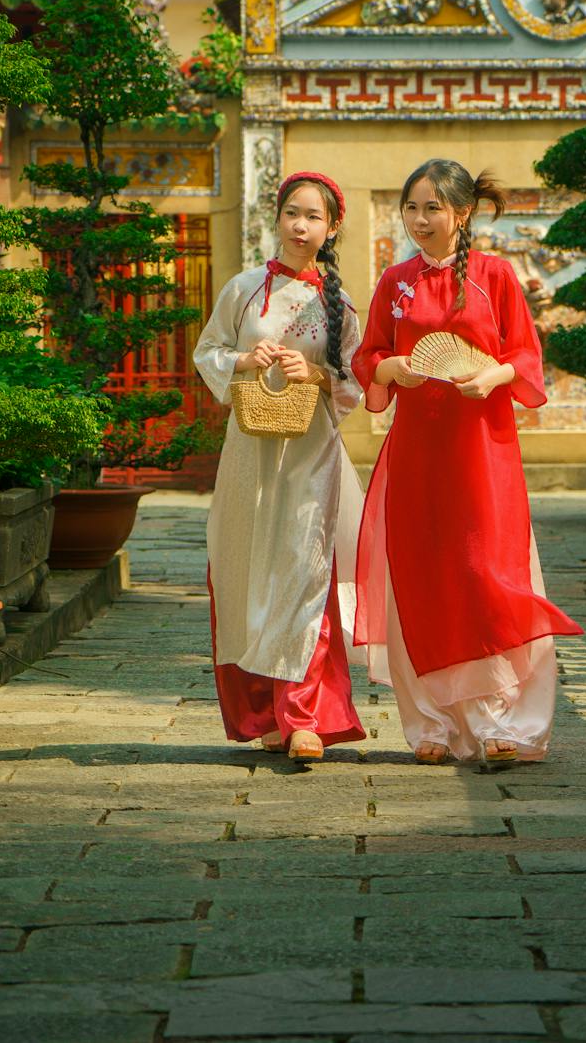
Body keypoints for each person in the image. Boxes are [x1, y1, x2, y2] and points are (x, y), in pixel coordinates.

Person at [352, 158, 584, 765]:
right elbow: (368, 353)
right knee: (422, 576)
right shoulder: (395, 282)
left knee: (486, 575)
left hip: (482, 448)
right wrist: (389, 368)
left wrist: (492, 374)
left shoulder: (495, 275)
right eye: (412, 208)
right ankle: (432, 725)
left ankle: (503, 722)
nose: (421, 220)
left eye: (433, 208)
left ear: (463, 213)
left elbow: (526, 358)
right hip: (417, 453)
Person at [192, 172, 365, 763]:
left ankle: (305, 718)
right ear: (278, 218)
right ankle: (261, 713)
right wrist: (244, 358)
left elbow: (353, 384)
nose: (300, 226)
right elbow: (207, 352)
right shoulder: (242, 289)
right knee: (245, 574)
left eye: (313, 217)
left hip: (309, 456)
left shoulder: (340, 305)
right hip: (247, 456)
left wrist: (314, 373)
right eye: (292, 213)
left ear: (331, 227)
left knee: (302, 574)